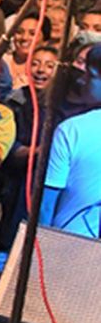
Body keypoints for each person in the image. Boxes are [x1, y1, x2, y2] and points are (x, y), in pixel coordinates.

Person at [40, 45, 101, 239]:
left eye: (90, 75)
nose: (82, 80)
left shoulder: (72, 130)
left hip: (71, 245)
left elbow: (46, 205)